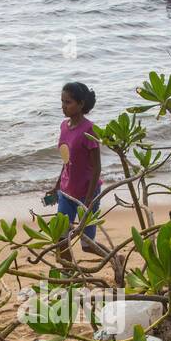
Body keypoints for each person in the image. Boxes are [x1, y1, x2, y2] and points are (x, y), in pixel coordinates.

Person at [48, 82, 106, 257]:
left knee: (87, 245)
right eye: (62, 101)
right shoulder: (64, 126)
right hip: (66, 192)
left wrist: (89, 199)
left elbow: (97, 168)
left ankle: (115, 259)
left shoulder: (90, 130)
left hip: (86, 193)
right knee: (61, 239)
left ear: (81, 104)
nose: (63, 106)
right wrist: (57, 185)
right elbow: (67, 160)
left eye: (68, 102)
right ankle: (67, 277)